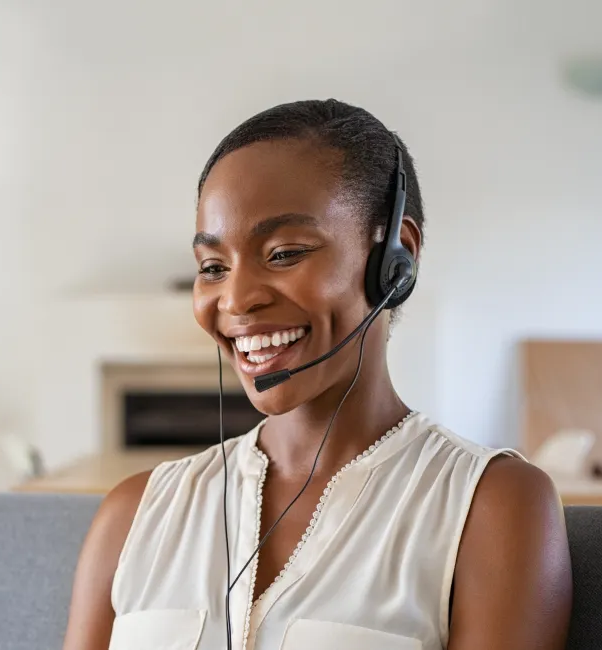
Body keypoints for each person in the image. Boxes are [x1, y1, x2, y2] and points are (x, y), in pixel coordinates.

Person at [63, 99, 572, 650]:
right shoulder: (132, 516)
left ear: (396, 255)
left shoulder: (491, 508)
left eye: (284, 253)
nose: (236, 299)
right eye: (213, 267)